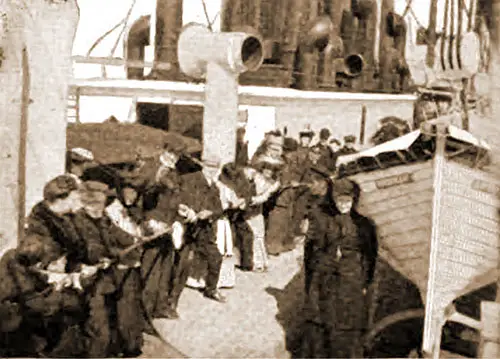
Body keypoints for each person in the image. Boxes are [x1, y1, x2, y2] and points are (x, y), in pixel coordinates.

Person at [302, 178, 378, 358]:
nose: (343, 204)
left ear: (354, 200)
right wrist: (311, 279)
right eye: (339, 200)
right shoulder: (321, 219)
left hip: (351, 277)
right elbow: (310, 252)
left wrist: (366, 282)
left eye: (347, 200)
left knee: (348, 321)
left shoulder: (364, 225)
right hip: (325, 276)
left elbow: (370, 255)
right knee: (321, 318)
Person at [177, 158, 227, 303]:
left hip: (204, 229)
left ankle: (211, 289)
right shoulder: (188, 179)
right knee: (180, 261)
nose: (212, 170)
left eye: (215, 167)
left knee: (216, 257)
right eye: (210, 166)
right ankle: (171, 296)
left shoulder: (214, 187)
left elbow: (219, 209)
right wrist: (188, 210)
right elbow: (178, 197)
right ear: (203, 165)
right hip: (185, 227)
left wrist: (210, 213)